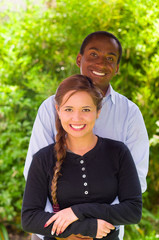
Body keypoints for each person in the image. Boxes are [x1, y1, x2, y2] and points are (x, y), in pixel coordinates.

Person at [23, 31, 149, 240]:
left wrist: (99, 225)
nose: (101, 63)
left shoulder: (129, 114)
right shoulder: (49, 108)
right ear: (79, 59)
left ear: (117, 68)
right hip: (53, 229)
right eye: (94, 54)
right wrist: (64, 226)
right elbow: (35, 176)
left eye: (110, 58)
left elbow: (136, 182)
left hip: (106, 230)